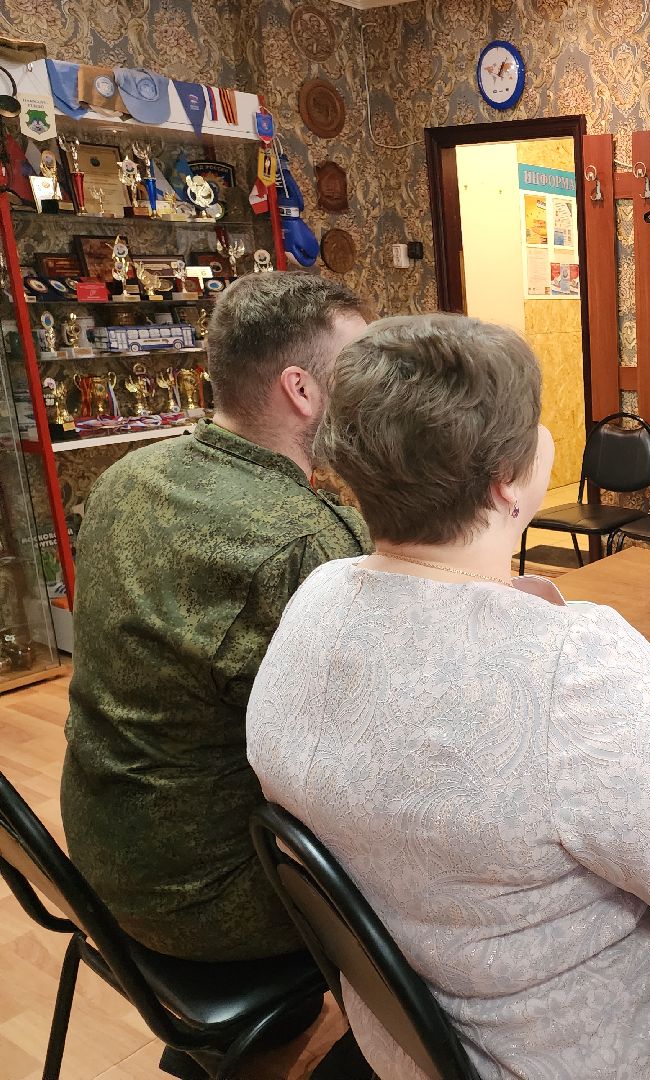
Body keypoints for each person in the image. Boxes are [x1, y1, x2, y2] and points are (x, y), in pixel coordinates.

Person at [247, 314, 650, 1080]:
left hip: (409, 1029)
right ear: (507, 479)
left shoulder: (315, 599)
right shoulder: (567, 657)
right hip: (575, 1049)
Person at [62, 272, 369, 964]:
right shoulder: (301, 541)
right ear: (301, 389)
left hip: (99, 851)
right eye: (362, 372)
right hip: (209, 898)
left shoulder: (128, 476)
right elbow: (362, 759)